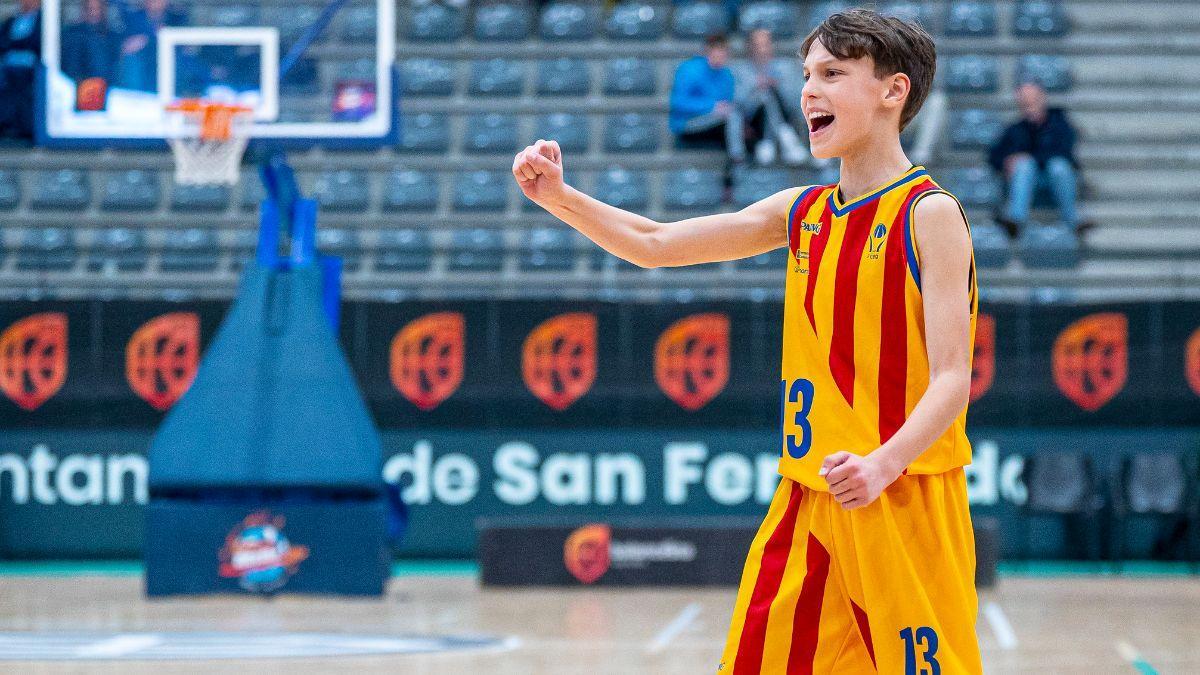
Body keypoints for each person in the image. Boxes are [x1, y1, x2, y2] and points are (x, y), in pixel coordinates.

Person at [513, 8, 982, 673]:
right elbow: (655, 244)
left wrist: (883, 462)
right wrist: (561, 198)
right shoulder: (802, 212)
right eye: (806, 75)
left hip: (903, 496)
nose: (809, 90)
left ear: (893, 91)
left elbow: (953, 379)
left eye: (832, 73)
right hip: (806, 494)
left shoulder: (929, 214)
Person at [988, 81, 1083, 237]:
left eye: (1032, 101)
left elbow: (1064, 153)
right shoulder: (1015, 129)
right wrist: (1008, 162)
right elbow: (994, 156)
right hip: (1027, 183)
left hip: (1056, 180)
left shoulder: (1061, 125)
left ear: (1042, 99)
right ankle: (1015, 220)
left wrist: (1028, 158)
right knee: (1024, 166)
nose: (1029, 107)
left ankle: (1074, 220)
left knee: (1057, 166)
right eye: (1025, 103)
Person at [731, 28, 808, 166]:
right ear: (750, 47)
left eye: (765, 44)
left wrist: (778, 86)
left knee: (770, 93)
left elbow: (795, 100)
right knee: (765, 95)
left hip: (785, 113)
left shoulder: (784, 67)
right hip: (754, 120)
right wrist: (755, 85)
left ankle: (770, 141)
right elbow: (738, 102)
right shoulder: (740, 70)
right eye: (758, 45)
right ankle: (786, 138)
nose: (762, 49)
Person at [670, 34, 745, 164]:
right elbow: (678, 102)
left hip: (716, 124)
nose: (721, 56)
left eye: (724, 52)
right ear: (708, 51)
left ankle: (732, 177)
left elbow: (729, 102)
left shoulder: (726, 74)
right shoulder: (689, 69)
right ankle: (738, 159)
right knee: (732, 117)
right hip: (688, 124)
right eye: (718, 51)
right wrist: (712, 106)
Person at [115, 0, 186, 92]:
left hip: (170, 68)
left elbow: (185, 48)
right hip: (142, 69)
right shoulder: (132, 19)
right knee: (131, 60)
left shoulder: (176, 19)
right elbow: (123, 49)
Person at [0, 0, 41, 140]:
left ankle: (24, 127)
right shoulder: (11, 21)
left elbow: (37, 43)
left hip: (31, 67)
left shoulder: (43, 21)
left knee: (22, 84)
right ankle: (6, 124)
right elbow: (3, 42)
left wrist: (17, 44)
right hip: (8, 66)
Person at [62, 0, 120, 84]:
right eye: (90, 9)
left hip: (107, 87)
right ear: (84, 10)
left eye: (97, 9)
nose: (93, 13)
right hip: (82, 87)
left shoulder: (111, 36)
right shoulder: (73, 34)